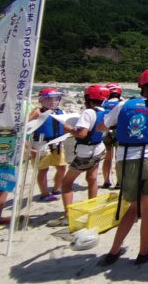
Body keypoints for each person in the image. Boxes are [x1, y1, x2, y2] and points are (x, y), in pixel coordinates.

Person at [97, 69, 148, 266]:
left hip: (124, 161)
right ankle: (143, 252)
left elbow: (102, 126)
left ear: (141, 86)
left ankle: (114, 251)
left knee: (132, 208)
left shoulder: (123, 105)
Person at [47, 84, 110, 227]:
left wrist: (69, 129)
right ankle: (92, 210)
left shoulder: (88, 113)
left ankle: (68, 216)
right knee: (92, 178)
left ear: (88, 98)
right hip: (99, 149)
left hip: (85, 152)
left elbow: (82, 133)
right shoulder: (105, 112)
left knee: (66, 183)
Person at [28, 88, 67, 202]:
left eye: (56, 99)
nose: (53, 102)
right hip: (41, 144)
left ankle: (56, 188)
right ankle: (44, 193)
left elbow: (65, 125)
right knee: (43, 170)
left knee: (61, 167)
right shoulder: (38, 112)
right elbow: (26, 127)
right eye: (49, 99)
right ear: (42, 101)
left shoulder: (61, 112)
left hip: (58, 143)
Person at [101, 83, 123, 189]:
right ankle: (119, 181)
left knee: (108, 157)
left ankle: (106, 181)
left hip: (106, 132)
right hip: (118, 132)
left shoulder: (103, 104)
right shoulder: (121, 103)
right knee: (119, 158)